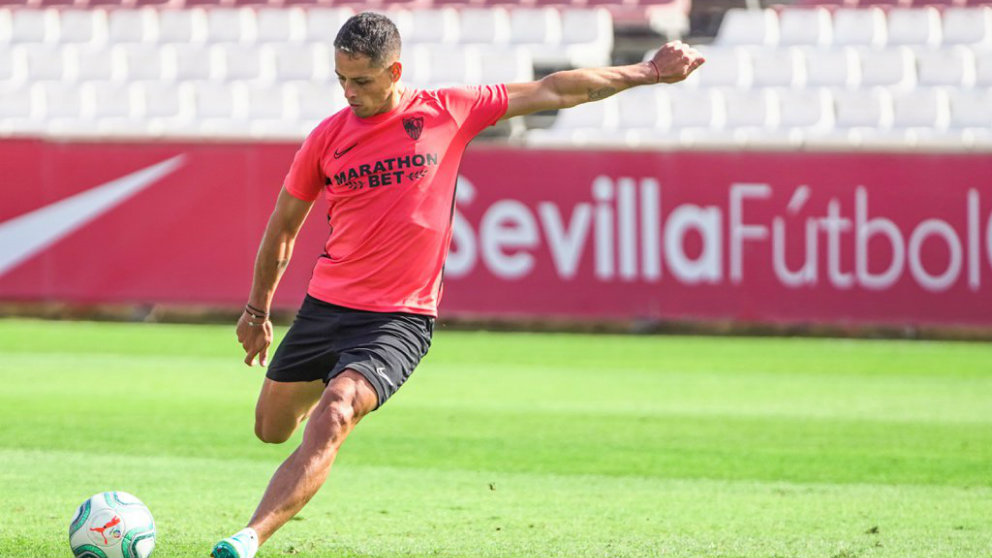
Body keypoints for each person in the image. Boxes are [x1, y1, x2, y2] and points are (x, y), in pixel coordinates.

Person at [210, 11, 704, 558]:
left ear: (394, 70)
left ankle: (249, 536)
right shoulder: (326, 139)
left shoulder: (447, 110)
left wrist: (648, 72)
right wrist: (256, 313)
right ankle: (319, 418)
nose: (349, 92)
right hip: (326, 306)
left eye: (362, 81)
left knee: (338, 410)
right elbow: (283, 225)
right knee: (271, 429)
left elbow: (552, 89)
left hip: (400, 318)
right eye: (341, 79)